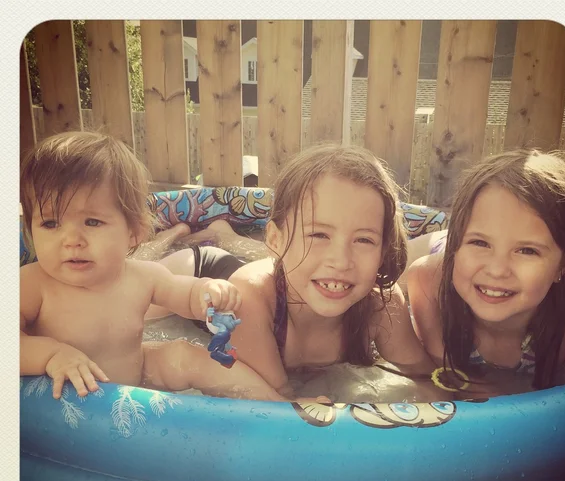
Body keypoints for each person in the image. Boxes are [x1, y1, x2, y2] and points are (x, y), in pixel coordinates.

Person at [19, 131, 327, 404]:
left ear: (135, 231)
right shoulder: (32, 284)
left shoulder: (141, 276)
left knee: (185, 354)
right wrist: (51, 355)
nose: (71, 240)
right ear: (30, 232)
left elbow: (183, 293)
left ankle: (275, 405)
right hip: (58, 401)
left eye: (92, 222)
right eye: (50, 223)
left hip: (136, 373)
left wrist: (207, 292)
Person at [196, 143, 436, 399]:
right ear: (275, 240)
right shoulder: (248, 300)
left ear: (383, 251)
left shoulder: (381, 304)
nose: (341, 261)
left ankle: (226, 233)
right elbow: (277, 405)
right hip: (204, 270)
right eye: (318, 234)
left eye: (364, 240)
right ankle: (215, 234)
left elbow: (426, 381)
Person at [406, 149, 565, 391]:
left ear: (564, 265)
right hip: (437, 248)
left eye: (527, 250)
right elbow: (442, 378)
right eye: (480, 242)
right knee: (389, 261)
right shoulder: (428, 281)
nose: (498, 271)